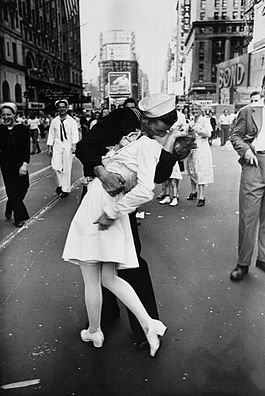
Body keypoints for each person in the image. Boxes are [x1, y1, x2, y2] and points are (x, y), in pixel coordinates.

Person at [63, 93, 180, 357]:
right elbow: (85, 147)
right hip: (102, 193)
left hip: (120, 204)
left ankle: (141, 325)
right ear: (148, 119)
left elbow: (156, 177)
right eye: (162, 125)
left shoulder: (157, 138)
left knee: (126, 263)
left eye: (168, 127)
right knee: (103, 267)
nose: (164, 130)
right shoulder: (120, 118)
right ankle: (106, 318)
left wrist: (171, 151)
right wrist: (102, 173)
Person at [229, 78, 265, 281]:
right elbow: (235, 136)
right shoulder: (249, 111)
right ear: (263, 89)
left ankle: (263, 258)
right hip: (254, 164)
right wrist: (245, 151)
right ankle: (242, 264)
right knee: (248, 217)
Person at [0, 103, 30, 227]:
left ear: (14, 115)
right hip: (6, 165)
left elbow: (26, 148)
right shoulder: (0, 129)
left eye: (9, 114)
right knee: (12, 189)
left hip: (20, 164)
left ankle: (10, 205)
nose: (6, 117)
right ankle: (19, 217)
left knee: (23, 187)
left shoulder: (22, 129)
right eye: (3, 115)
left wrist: (24, 164)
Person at [47, 99, 79, 197]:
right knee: (55, 167)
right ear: (57, 109)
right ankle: (59, 184)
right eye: (59, 107)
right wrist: (49, 147)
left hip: (68, 145)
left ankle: (65, 189)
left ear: (66, 108)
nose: (62, 109)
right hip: (57, 145)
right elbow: (51, 134)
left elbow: (75, 134)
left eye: (63, 107)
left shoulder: (71, 121)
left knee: (67, 167)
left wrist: (74, 146)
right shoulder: (54, 121)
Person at [186, 103, 214, 207]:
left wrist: (197, 130)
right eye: (192, 109)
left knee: (200, 170)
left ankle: (202, 196)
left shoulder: (205, 120)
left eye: (196, 109)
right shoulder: (192, 120)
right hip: (192, 148)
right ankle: (193, 191)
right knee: (191, 169)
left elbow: (208, 133)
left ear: (200, 110)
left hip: (202, 148)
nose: (194, 111)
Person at [159, 108, 187, 206]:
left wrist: (176, 132)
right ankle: (166, 195)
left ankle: (175, 196)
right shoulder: (162, 116)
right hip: (164, 145)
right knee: (165, 175)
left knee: (174, 175)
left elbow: (185, 131)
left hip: (175, 147)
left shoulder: (181, 116)